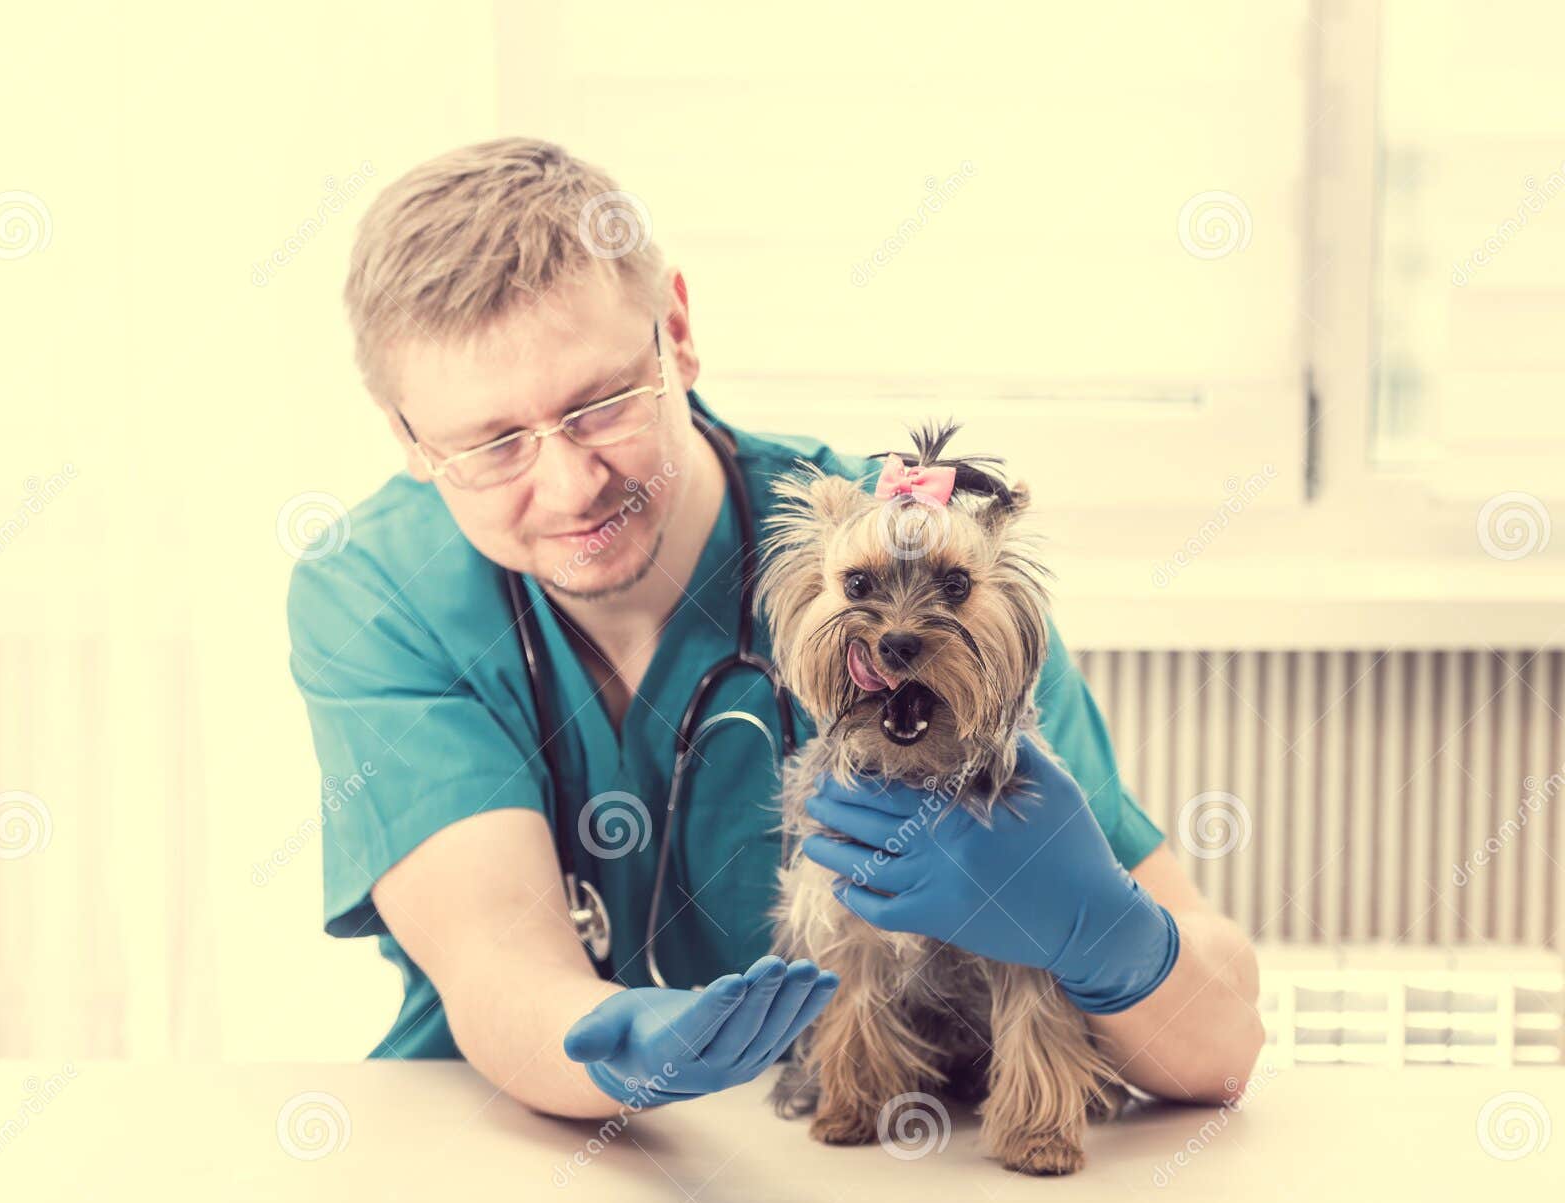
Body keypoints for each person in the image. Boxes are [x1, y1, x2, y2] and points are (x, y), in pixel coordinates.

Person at [286, 138, 1263, 1121]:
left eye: (601, 404)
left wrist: (1102, 933)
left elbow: (1220, 1046)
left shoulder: (917, 569)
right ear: (407, 437)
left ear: (675, 326)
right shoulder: (377, 590)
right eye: (494, 443)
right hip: (495, 1134)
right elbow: (499, 965)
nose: (572, 484)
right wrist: (625, 1044)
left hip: (866, 1160)